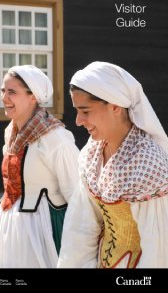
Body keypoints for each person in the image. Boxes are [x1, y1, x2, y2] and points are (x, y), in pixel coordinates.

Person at [57, 61, 168, 268]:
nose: (78, 121)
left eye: (86, 111)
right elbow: (81, 227)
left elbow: (159, 250)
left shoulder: (147, 162)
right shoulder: (92, 153)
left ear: (115, 106)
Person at [0, 65, 79, 268]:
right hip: (9, 224)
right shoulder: (11, 132)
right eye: (3, 91)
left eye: (12, 92)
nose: (4, 97)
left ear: (33, 97)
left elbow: (76, 192)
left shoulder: (55, 138)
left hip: (43, 228)